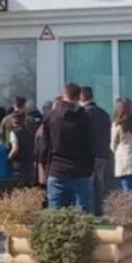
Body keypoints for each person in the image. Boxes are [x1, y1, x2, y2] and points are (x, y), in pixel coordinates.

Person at [40, 83, 94, 212]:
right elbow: (89, 145)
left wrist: (44, 168)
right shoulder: (85, 117)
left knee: (55, 214)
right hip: (80, 170)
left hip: (57, 169)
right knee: (83, 213)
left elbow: (44, 147)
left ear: (64, 94)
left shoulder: (51, 117)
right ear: (79, 97)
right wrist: (90, 168)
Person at [80, 87, 112, 215]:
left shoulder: (83, 114)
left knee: (86, 185)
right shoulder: (104, 114)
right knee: (99, 184)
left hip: (87, 155)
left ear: (81, 97)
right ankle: (99, 212)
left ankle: (88, 213)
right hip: (102, 153)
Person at [6, 110, 36, 187]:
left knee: (18, 188)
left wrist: (8, 159)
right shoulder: (29, 131)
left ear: (13, 120)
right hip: (29, 165)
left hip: (18, 165)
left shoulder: (14, 133)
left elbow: (15, 150)